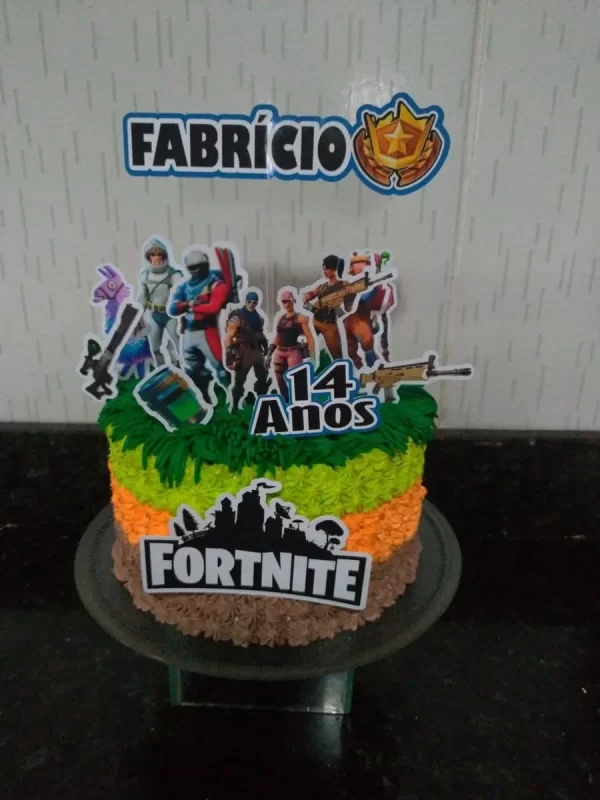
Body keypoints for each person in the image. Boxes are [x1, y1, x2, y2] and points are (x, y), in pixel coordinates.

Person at [167, 249, 229, 400]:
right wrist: (190, 303)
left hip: (207, 331)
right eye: (192, 268)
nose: (196, 271)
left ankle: (233, 397)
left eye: (199, 266)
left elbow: (213, 308)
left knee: (220, 366)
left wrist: (190, 306)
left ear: (206, 265)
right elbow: (172, 309)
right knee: (193, 369)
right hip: (188, 332)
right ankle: (204, 397)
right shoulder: (184, 286)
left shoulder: (216, 284)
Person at [343, 250, 395, 368]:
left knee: (366, 343)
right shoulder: (346, 282)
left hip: (360, 319)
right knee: (350, 349)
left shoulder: (374, 285)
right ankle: (359, 369)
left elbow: (367, 298)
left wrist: (370, 288)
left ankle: (374, 367)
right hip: (346, 321)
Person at [137, 238, 182, 366]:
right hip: (154, 315)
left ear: (164, 255)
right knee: (155, 347)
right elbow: (143, 297)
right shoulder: (145, 275)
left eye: (159, 254)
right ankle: (161, 370)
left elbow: (181, 293)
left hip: (170, 316)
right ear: (148, 257)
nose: (156, 257)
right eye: (153, 254)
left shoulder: (174, 274)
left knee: (179, 344)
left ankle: (186, 369)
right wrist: (138, 315)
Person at [223, 290, 270, 409]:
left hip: (257, 351)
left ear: (257, 303)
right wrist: (229, 357)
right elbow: (228, 338)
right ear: (245, 302)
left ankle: (260, 403)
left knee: (263, 378)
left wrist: (265, 347)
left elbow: (260, 334)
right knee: (239, 382)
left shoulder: (259, 318)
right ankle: (234, 406)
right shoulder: (237, 318)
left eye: (254, 302)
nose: (251, 304)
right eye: (249, 302)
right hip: (243, 352)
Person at [267, 289, 315, 401]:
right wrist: (269, 353)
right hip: (279, 351)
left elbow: (309, 337)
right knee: (280, 380)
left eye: (289, 301)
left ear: (293, 301)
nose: (287, 304)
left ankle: (300, 402)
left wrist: (313, 356)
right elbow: (278, 336)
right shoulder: (280, 317)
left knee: (296, 379)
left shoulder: (300, 317)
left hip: (293, 351)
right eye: (284, 301)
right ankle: (286, 402)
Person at [302, 254, 353, 359]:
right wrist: (312, 308)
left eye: (326, 269)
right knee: (304, 348)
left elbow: (348, 308)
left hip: (329, 325)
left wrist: (347, 297)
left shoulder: (343, 285)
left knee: (337, 357)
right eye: (324, 269)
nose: (324, 271)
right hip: (315, 322)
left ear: (334, 269)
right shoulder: (322, 286)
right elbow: (306, 299)